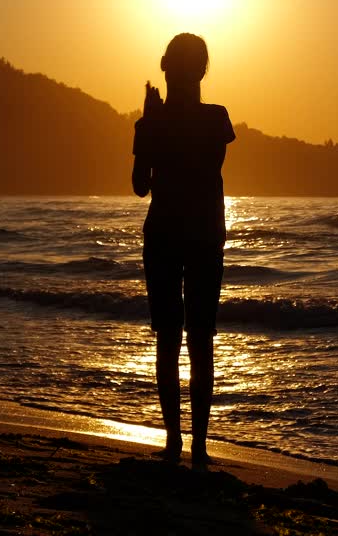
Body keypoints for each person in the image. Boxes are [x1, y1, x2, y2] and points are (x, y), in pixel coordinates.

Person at [132, 33, 235, 466]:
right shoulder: (216, 119)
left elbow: (140, 186)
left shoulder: (151, 122)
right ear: (203, 70)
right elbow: (206, 170)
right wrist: (156, 123)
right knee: (200, 340)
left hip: (166, 236)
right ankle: (198, 444)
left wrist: (154, 122)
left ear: (164, 66)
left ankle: (175, 439)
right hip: (204, 236)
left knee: (170, 339)